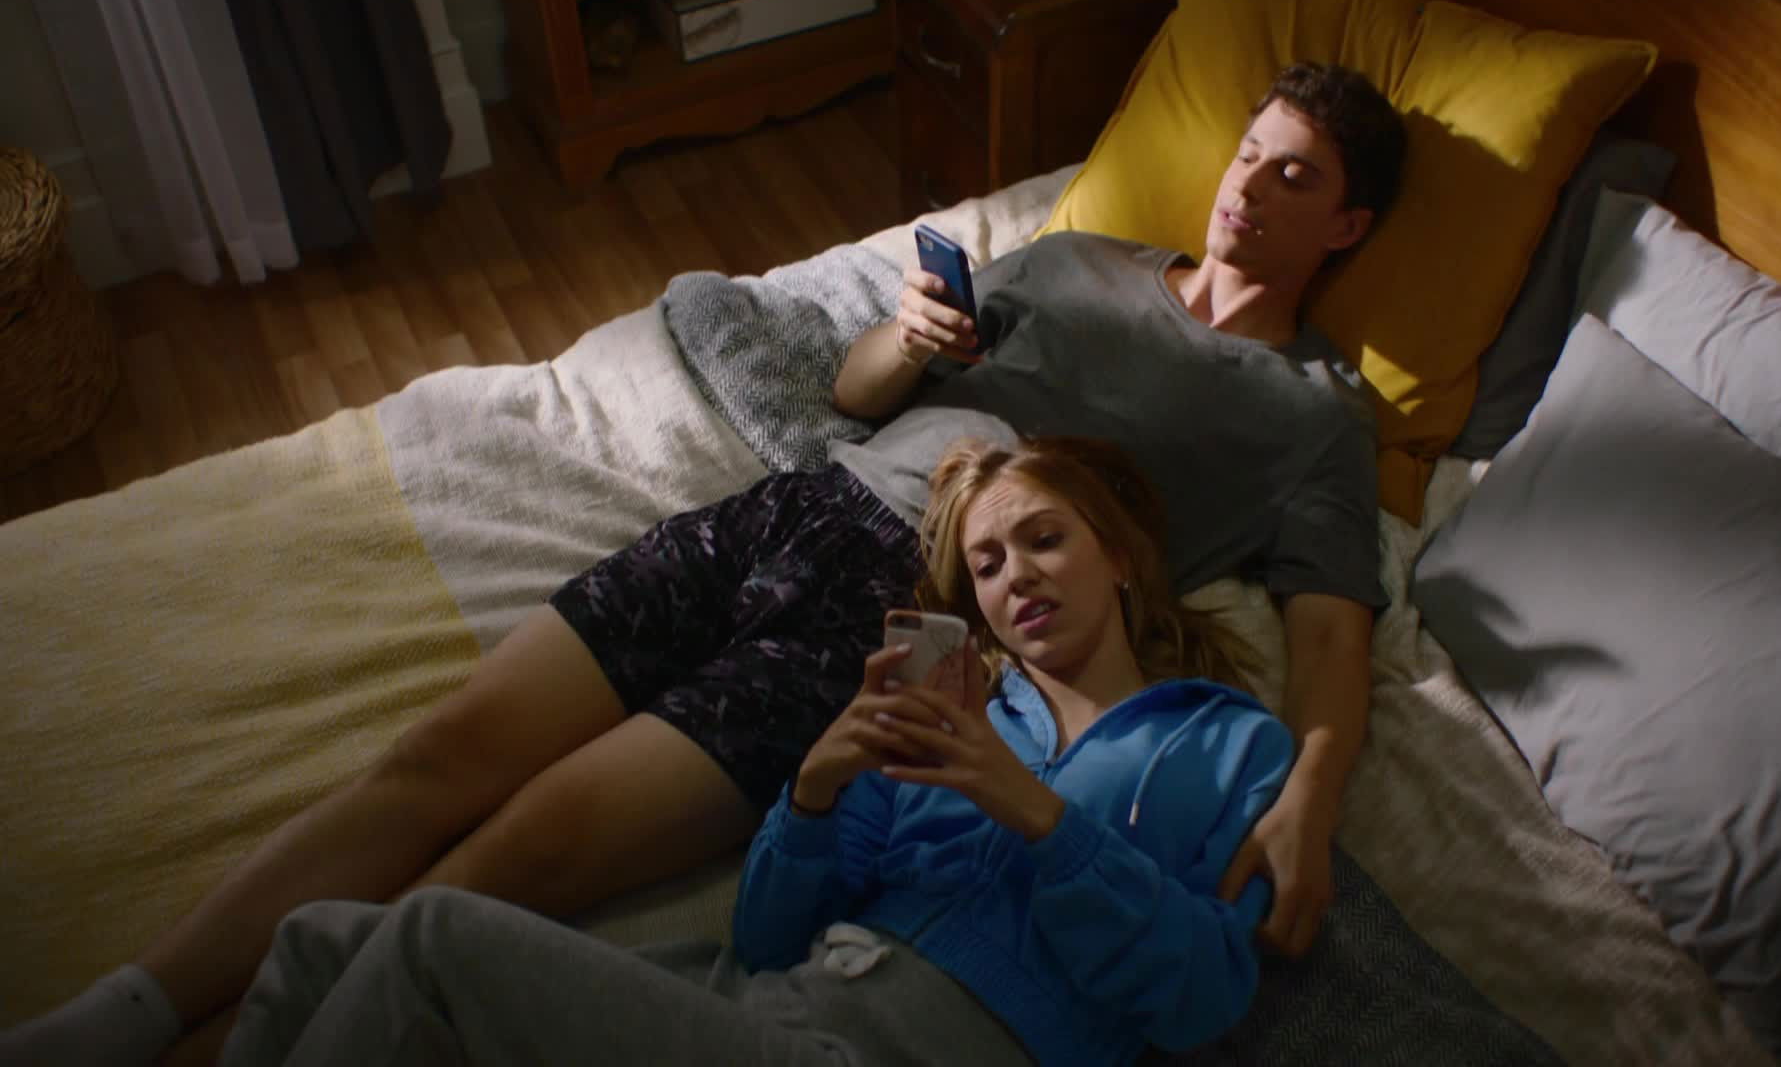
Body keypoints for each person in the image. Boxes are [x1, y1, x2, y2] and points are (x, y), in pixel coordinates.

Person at [0, 62, 1405, 1067]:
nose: (1249, 187)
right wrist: (911, 337)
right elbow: (856, 394)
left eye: (1297, 176)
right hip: (785, 510)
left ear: (1347, 227)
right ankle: (125, 1009)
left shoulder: (1312, 421)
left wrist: (1308, 800)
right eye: (1249, 153)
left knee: (526, 851)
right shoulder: (1078, 257)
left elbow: (1333, 636)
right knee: (435, 757)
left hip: (910, 605)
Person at [217, 436, 1294, 1067]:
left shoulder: (1230, 745)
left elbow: (1202, 998)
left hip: (922, 1050)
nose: (1018, 575)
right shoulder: (946, 721)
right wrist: (814, 794)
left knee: (430, 940)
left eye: (1045, 539)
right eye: (988, 565)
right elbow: (767, 937)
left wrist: (1042, 820)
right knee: (325, 939)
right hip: (769, 1013)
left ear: (1120, 557)